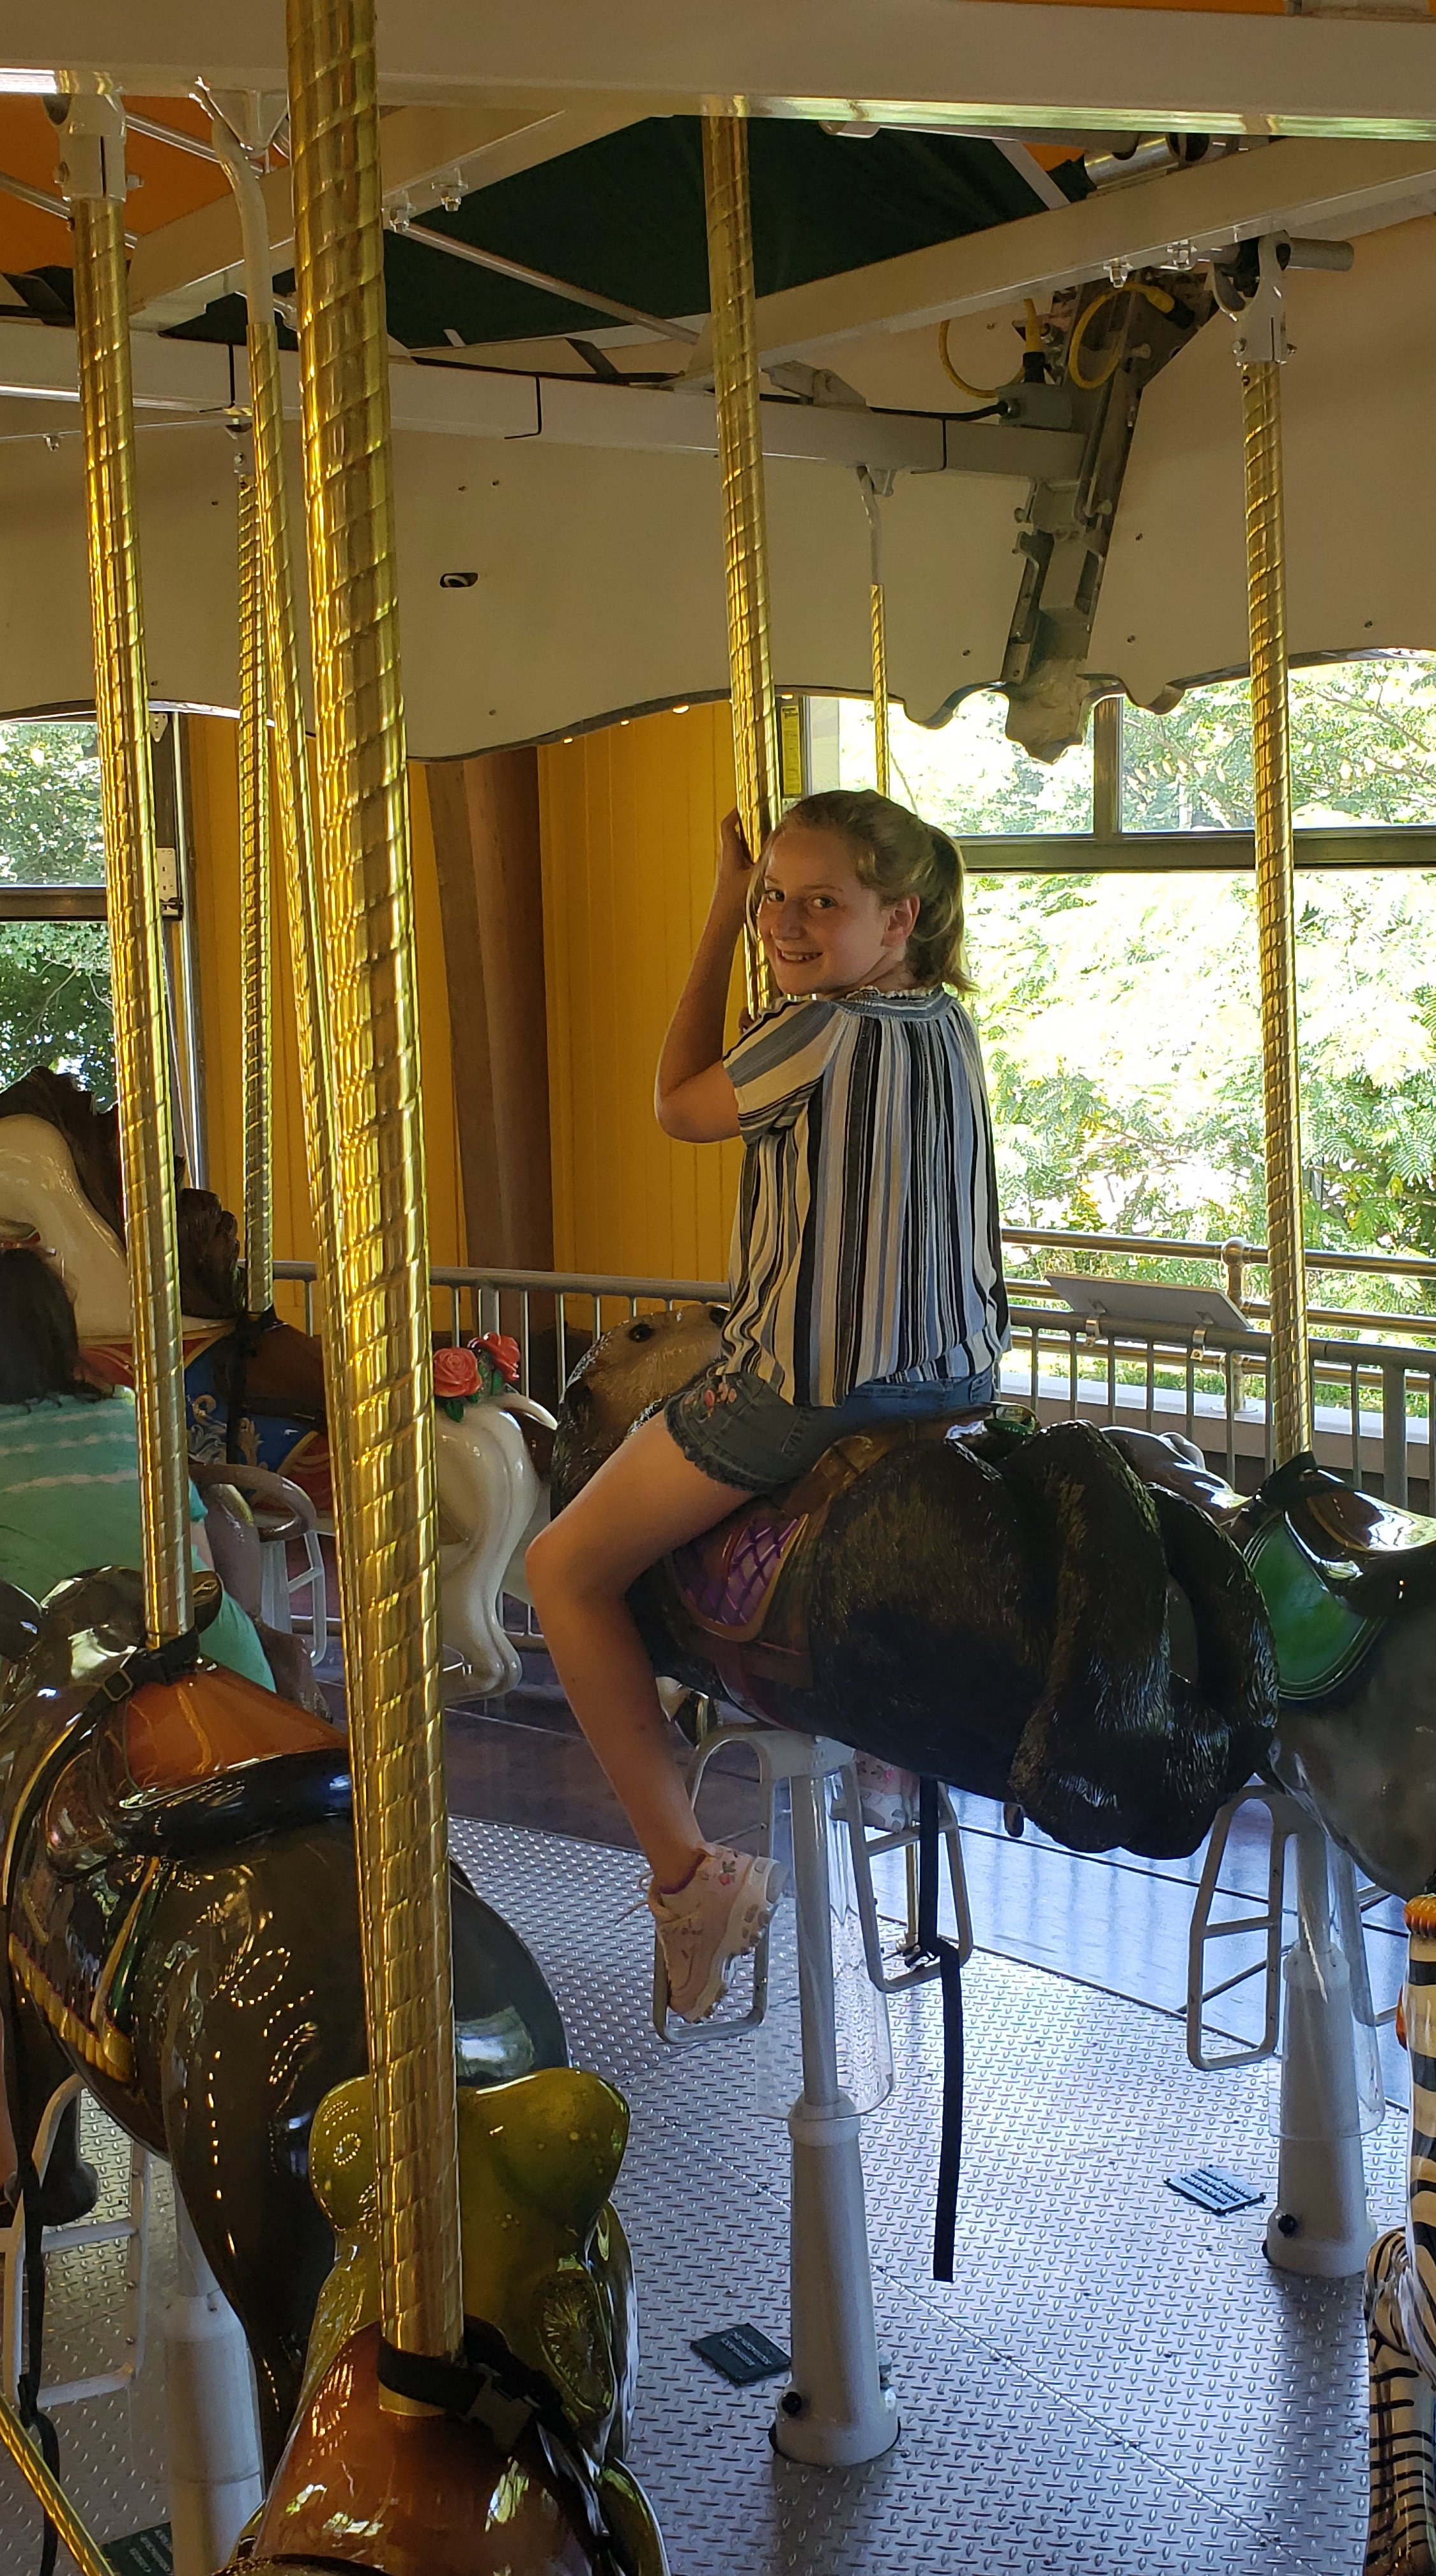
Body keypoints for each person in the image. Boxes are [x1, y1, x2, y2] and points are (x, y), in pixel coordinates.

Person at [528, 790, 1009, 2022]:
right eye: (772, 902)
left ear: (897, 915)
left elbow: (677, 1100)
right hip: (952, 1380)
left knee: (562, 1571)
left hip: (810, 1389)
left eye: (819, 902)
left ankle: (692, 1873)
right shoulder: (945, 1025)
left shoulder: (821, 1029)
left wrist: (715, 913)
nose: (787, 924)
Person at [0, 1243, 275, 2248]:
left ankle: (3, 2180)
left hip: (83, 1729)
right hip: (229, 1702)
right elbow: (231, 1562)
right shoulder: (131, 1420)